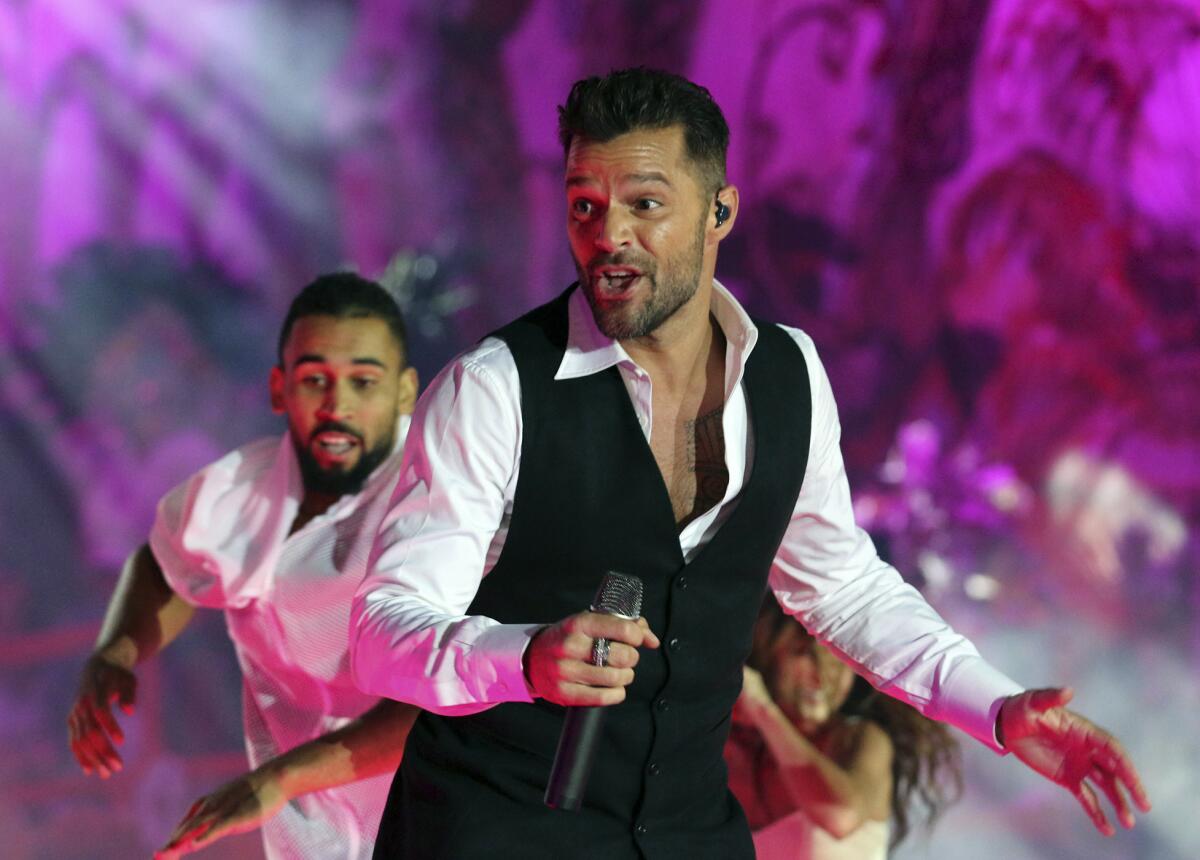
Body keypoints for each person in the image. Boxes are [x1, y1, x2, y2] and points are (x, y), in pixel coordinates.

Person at [349, 68, 1150, 859]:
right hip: (495, 833)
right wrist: (522, 658)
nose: (608, 235)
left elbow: (843, 586)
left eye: (646, 204)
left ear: (719, 212)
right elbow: (383, 629)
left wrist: (1001, 711)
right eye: (584, 206)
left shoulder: (788, 374)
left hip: (686, 832)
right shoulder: (495, 388)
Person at [67, 273, 422, 859]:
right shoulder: (238, 490)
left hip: (439, 829)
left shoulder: (446, 494)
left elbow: (438, 706)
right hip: (313, 845)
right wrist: (117, 651)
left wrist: (278, 779)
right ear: (280, 389)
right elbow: (163, 565)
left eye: (364, 382)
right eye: (315, 381)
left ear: (406, 392)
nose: (338, 406)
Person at [726, 601, 962, 859]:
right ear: (765, 650)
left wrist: (764, 711)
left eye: (839, 660)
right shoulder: (734, 750)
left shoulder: (858, 738)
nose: (823, 676)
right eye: (803, 653)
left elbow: (839, 815)